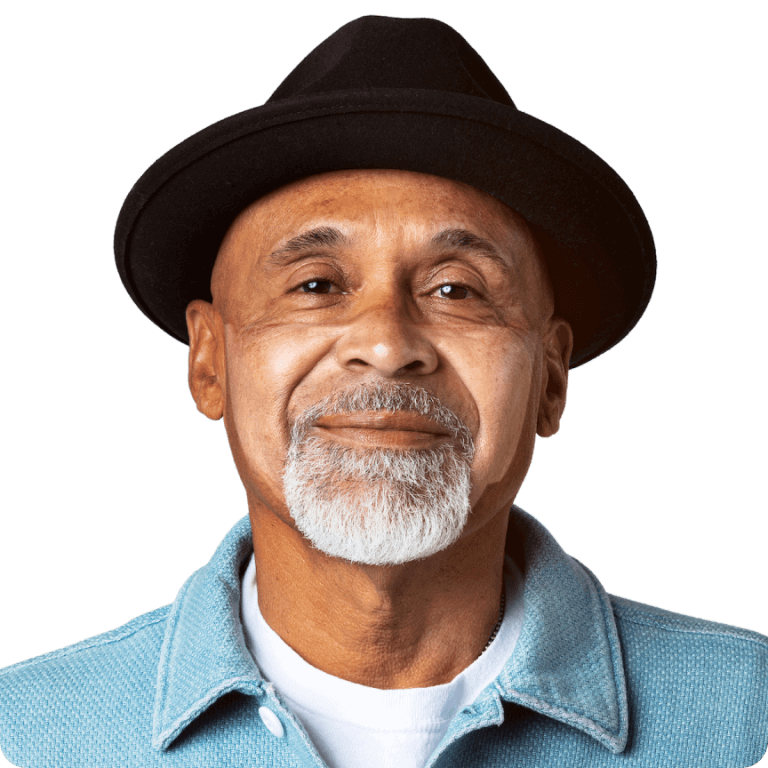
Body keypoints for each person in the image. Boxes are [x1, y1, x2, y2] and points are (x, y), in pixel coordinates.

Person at [1, 14, 766, 768]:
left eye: (457, 290)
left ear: (551, 378)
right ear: (209, 362)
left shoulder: (749, 715)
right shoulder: (26, 735)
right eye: (315, 284)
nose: (388, 345)